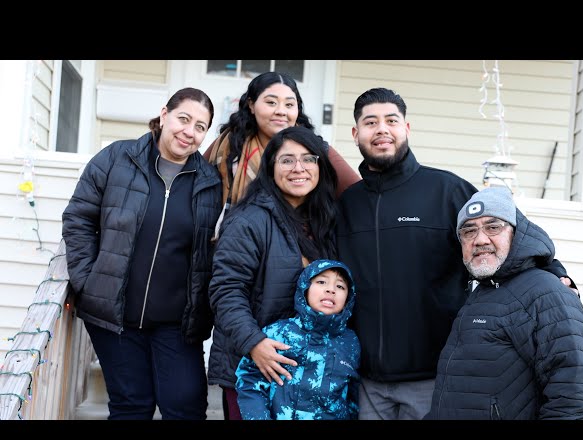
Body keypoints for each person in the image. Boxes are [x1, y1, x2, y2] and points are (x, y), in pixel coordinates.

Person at [335, 87, 579, 420]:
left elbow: (511, 233)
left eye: (391, 120)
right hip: (367, 385)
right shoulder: (348, 204)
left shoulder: (446, 190)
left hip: (434, 378)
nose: (381, 130)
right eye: (370, 122)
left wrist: (555, 271)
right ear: (355, 133)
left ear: (406, 128)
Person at [62, 87, 222, 420]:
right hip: (115, 316)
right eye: (183, 119)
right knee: (131, 406)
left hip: (177, 323)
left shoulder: (209, 182)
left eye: (200, 126)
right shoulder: (116, 158)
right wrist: (87, 282)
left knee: (186, 406)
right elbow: (79, 218)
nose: (189, 132)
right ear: (164, 115)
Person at [426, 187, 583, 419]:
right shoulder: (483, 291)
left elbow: (575, 400)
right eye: (469, 231)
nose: (479, 239)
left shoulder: (547, 294)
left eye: (493, 227)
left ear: (516, 233)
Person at [208, 126, 340, 420]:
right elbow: (226, 291)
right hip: (254, 367)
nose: (299, 168)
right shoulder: (249, 220)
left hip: (309, 372)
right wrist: (254, 344)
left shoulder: (325, 223)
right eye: (287, 160)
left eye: (308, 159)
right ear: (271, 168)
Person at [202, 71, 359, 240]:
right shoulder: (229, 143)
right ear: (251, 105)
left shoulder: (315, 149)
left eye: (289, 105)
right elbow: (195, 184)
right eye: (271, 102)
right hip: (236, 249)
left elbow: (357, 195)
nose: (281, 111)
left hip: (298, 251)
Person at [235, 259, 360, 420]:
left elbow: (354, 396)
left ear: (348, 298)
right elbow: (249, 379)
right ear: (305, 288)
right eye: (321, 282)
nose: (331, 289)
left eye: (340, 286)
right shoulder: (279, 332)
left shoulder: (351, 343)